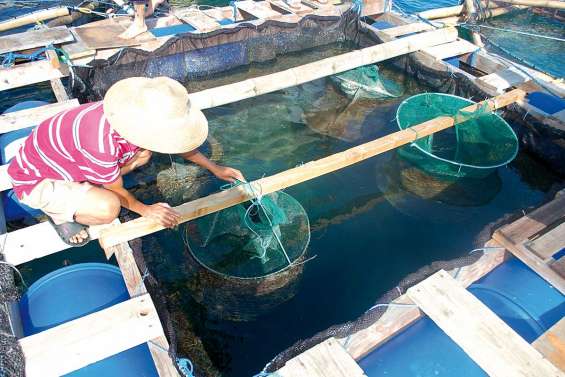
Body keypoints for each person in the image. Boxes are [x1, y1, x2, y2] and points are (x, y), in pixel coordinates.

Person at [7, 76, 244, 246]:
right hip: (39, 180)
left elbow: (178, 144)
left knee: (145, 154)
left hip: (70, 161)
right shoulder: (100, 142)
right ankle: (58, 215)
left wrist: (216, 169)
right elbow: (117, 191)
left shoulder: (126, 115)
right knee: (109, 207)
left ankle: (95, 182)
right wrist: (145, 210)